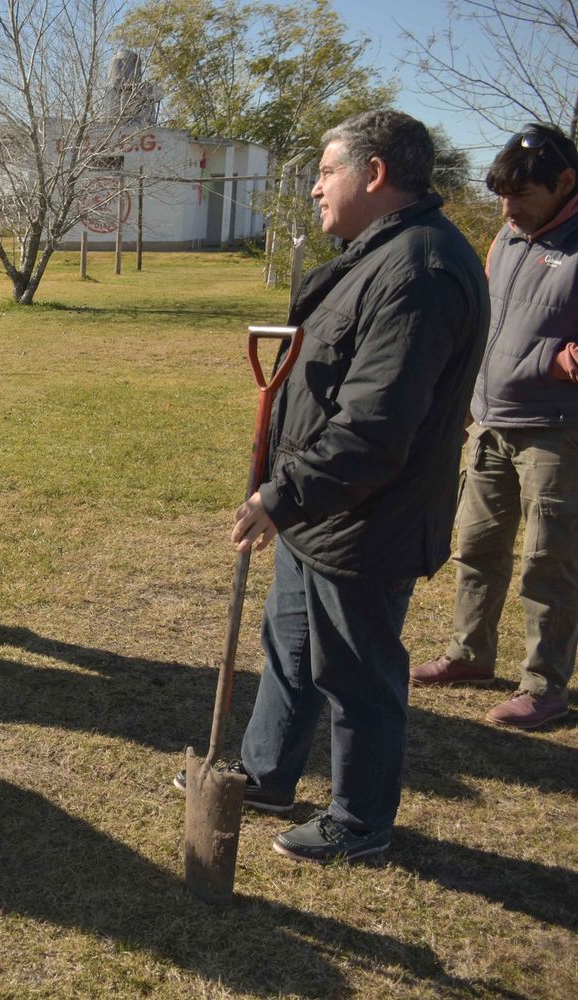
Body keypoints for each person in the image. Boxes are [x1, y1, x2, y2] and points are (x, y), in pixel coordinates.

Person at [177, 110, 490, 863]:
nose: (315, 186)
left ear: (374, 174)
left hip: (366, 518)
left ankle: (359, 821)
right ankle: (265, 773)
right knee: (289, 647)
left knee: (357, 674)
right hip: (322, 510)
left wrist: (282, 497)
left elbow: (376, 429)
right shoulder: (375, 255)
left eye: (326, 169)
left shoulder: (418, 271)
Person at [411, 124, 578, 730]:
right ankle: (470, 653)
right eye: (502, 196)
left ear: (565, 183)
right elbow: (486, 321)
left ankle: (545, 685)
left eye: (522, 195)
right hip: (491, 421)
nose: (508, 209)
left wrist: (557, 361)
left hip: (557, 430)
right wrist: (461, 400)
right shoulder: (507, 239)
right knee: (476, 547)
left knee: (549, 559)